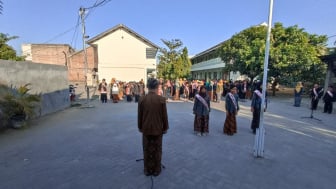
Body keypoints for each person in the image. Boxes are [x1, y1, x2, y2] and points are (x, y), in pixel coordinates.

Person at [138, 78, 169, 177]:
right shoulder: (161, 99)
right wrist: (165, 128)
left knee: (146, 149)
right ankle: (156, 170)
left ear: (147, 86)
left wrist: (140, 127)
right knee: (157, 149)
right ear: (157, 87)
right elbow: (164, 116)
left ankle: (147, 170)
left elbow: (140, 115)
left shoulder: (142, 99)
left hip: (146, 128)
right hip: (158, 129)